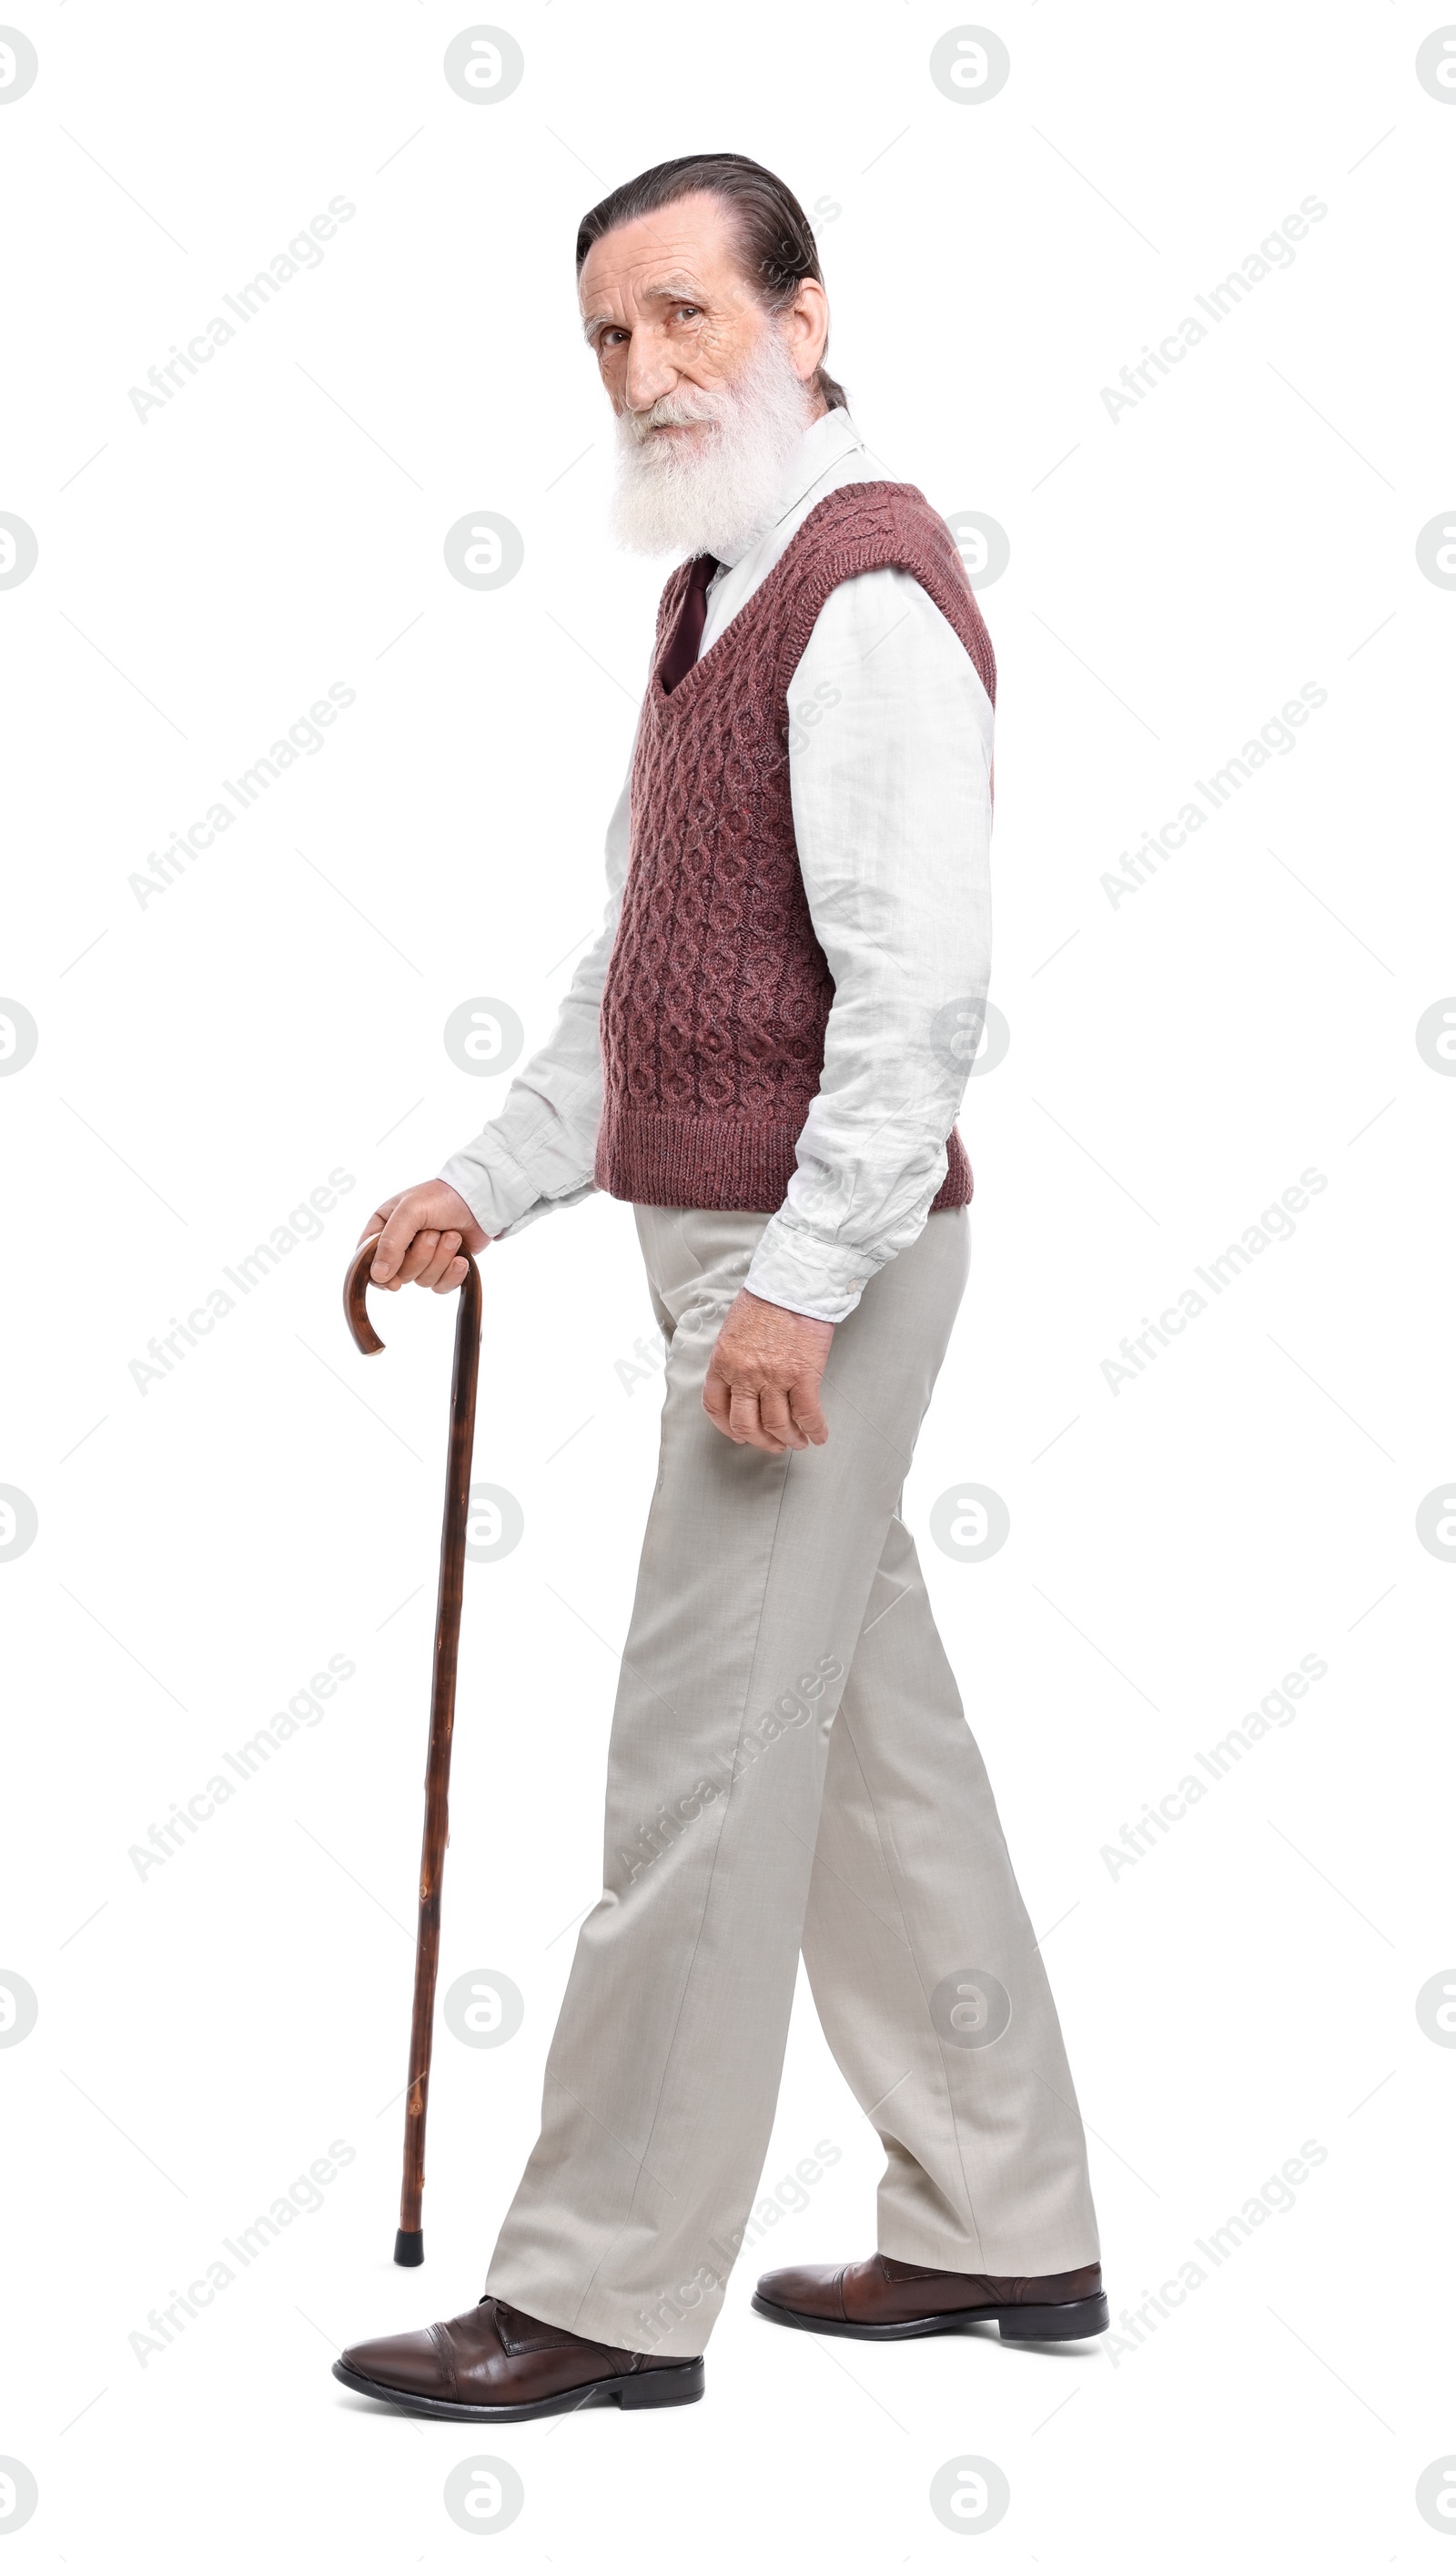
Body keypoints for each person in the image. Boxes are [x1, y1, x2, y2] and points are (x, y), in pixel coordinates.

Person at [333, 151, 1105, 2425]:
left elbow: (915, 998)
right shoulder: (710, 591)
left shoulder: (861, 592)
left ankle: (596, 2289)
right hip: (751, 1258)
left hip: (811, 1280)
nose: (645, 370)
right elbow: (640, 976)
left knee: (694, 1770)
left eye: (683, 316)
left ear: (800, 311)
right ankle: (999, 2217)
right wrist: (483, 1179)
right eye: (607, 336)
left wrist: (793, 1292)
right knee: (868, 1757)